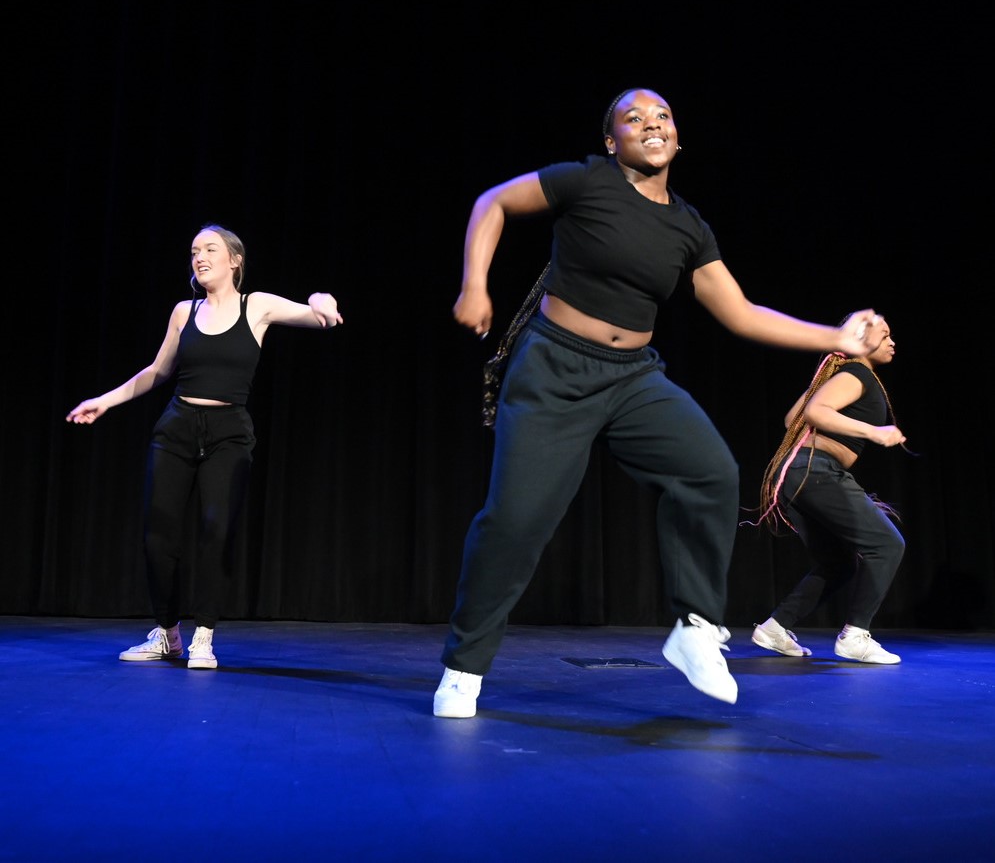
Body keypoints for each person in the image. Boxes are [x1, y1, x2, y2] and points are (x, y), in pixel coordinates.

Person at [433, 86, 884, 717]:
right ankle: (464, 666)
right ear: (611, 140)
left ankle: (695, 628)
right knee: (515, 522)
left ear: (677, 138)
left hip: (631, 377)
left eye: (663, 116)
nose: (652, 123)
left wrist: (836, 338)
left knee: (710, 471)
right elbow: (494, 202)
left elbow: (740, 311)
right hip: (554, 368)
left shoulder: (687, 226)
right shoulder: (586, 180)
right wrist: (474, 285)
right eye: (634, 117)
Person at [66, 223, 343, 669]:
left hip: (228, 432)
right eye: (194, 251)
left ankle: (204, 636)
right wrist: (105, 401)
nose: (199, 257)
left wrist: (321, 299)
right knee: (158, 537)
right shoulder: (184, 311)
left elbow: (316, 315)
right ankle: (168, 633)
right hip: (176, 427)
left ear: (235, 260)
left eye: (210, 249)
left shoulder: (257, 306)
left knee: (216, 530)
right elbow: (157, 371)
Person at [747, 315, 909, 664]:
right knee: (887, 544)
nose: (892, 342)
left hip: (797, 473)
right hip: (814, 470)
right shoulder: (857, 374)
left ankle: (775, 627)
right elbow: (816, 412)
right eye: (885, 335)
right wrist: (874, 431)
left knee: (838, 563)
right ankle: (855, 635)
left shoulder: (842, 374)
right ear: (862, 340)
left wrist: (821, 391)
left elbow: (793, 419)